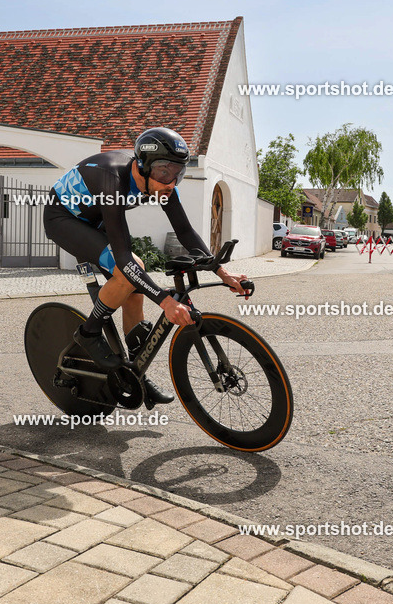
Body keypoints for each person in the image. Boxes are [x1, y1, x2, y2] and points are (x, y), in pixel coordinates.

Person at [43, 127, 249, 404]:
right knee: (131, 269)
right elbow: (125, 258)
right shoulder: (112, 178)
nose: (171, 181)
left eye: (179, 173)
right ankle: (88, 333)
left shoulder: (163, 184)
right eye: (165, 172)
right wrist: (165, 301)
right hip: (64, 218)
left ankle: (135, 371)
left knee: (135, 282)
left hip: (96, 218)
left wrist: (223, 273)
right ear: (142, 165)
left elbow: (186, 232)